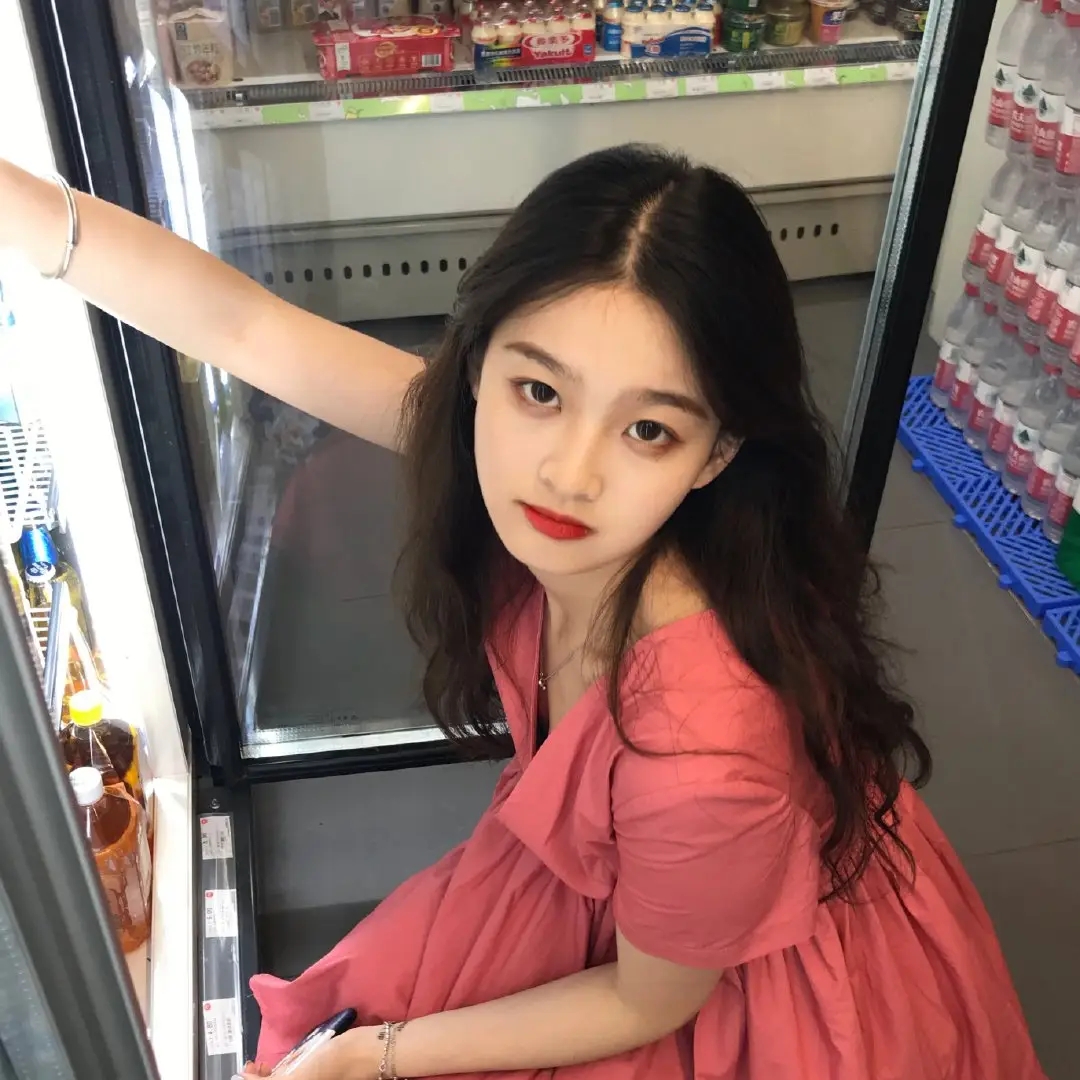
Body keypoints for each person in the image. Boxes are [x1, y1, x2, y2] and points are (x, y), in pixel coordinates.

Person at [0, 146, 1045, 1080]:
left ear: (716, 455)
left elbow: (648, 1002)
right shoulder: (516, 469)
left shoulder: (705, 744)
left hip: (737, 992)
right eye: (540, 391)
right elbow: (244, 325)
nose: (568, 474)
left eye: (648, 430)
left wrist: (376, 1055)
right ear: (478, 363)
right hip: (660, 902)